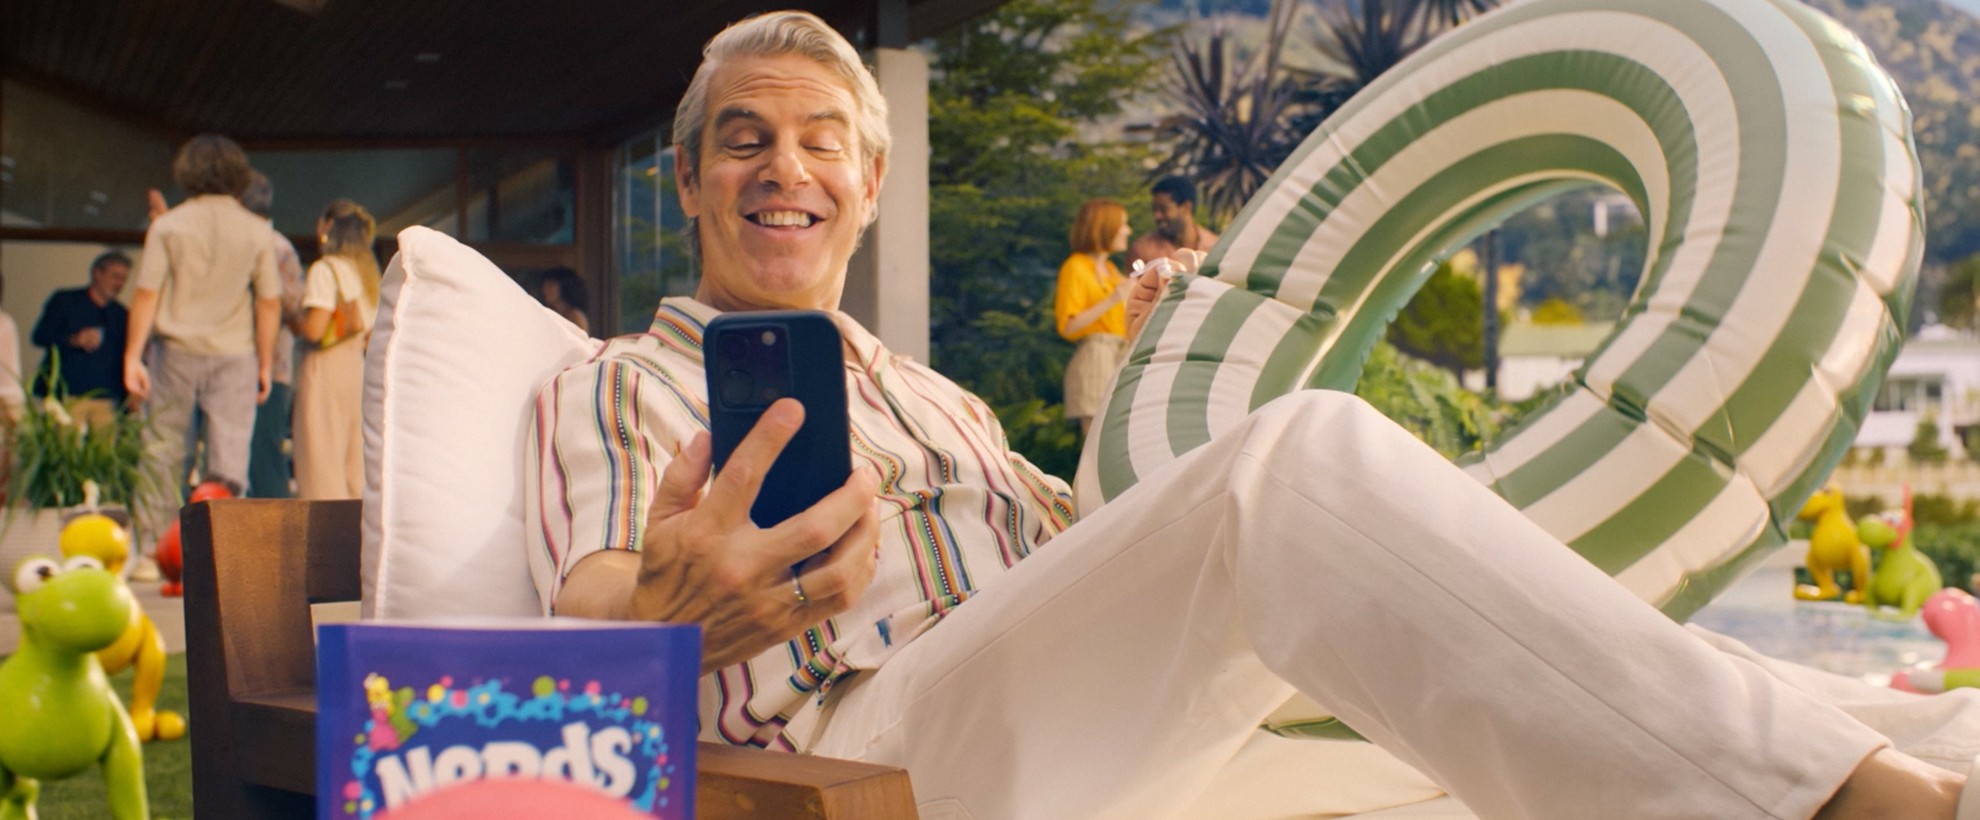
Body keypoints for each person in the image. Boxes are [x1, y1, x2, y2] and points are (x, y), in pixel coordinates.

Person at [526, 11, 1980, 818]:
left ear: (870, 186)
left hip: (1093, 717)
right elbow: (584, 596)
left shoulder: (937, 397)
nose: (785, 167)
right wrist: (671, 609)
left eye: (820, 141)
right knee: (1288, 463)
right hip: (866, 745)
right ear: (692, 184)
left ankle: (1936, 753)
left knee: (1480, 718)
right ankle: (1844, 815)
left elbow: (1096, 552)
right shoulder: (611, 380)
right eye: (745, 140)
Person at [126, 133, 282, 518]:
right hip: (235, 356)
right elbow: (269, 301)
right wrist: (265, 362)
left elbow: (147, 293)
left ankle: (152, 553)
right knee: (229, 462)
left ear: (187, 172)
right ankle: (225, 561)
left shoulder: (168, 226)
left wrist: (132, 357)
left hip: (174, 354)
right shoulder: (257, 230)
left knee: (162, 454)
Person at [291, 198, 380, 500]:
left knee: (320, 461)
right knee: (353, 465)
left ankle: (323, 542)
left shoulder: (324, 270)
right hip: (357, 368)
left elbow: (315, 329)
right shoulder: (368, 276)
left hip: (325, 369)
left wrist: (292, 320)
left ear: (327, 227)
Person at [240, 171, 306, 498]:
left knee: (261, 454)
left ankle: (274, 538)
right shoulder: (277, 246)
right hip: (249, 363)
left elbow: (294, 308)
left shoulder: (275, 247)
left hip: (268, 366)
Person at [1054, 198, 1132, 435]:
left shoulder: (1110, 271)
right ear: (1105, 226)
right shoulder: (1075, 267)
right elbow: (1068, 326)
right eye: (1123, 224)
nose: (1128, 231)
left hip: (1119, 354)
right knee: (1096, 441)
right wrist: (1113, 299)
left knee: (1117, 437)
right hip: (1095, 353)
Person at [30, 250, 130, 426]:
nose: (119, 284)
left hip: (106, 398)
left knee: (103, 451)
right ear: (97, 273)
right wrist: (72, 340)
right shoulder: (65, 301)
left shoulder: (121, 314)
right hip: (68, 394)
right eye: (115, 277)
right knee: (66, 448)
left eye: (123, 279)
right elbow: (40, 336)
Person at [1127, 175, 1219, 270]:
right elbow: (1132, 284)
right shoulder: (1143, 250)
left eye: (1163, 209)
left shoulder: (1216, 247)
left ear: (1186, 207)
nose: (1157, 216)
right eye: (1154, 209)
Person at [537, 267, 591, 334]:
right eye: (545, 285)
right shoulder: (546, 312)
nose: (545, 290)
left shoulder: (575, 316)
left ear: (564, 287)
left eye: (551, 285)